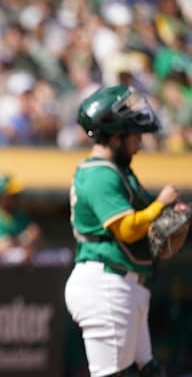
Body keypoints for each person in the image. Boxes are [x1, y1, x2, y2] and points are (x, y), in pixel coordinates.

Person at [64, 85, 179, 377]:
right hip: (106, 283)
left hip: (124, 283)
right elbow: (126, 229)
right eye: (135, 136)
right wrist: (159, 206)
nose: (139, 144)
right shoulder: (99, 173)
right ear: (115, 136)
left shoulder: (116, 169)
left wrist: (166, 214)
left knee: (148, 370)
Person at [0, 174, 42, 264]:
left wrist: (34, 238)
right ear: (0, 197)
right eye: (12, 195)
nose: (17, 197)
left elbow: (34, 233)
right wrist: (25, 238)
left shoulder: (19, 214)